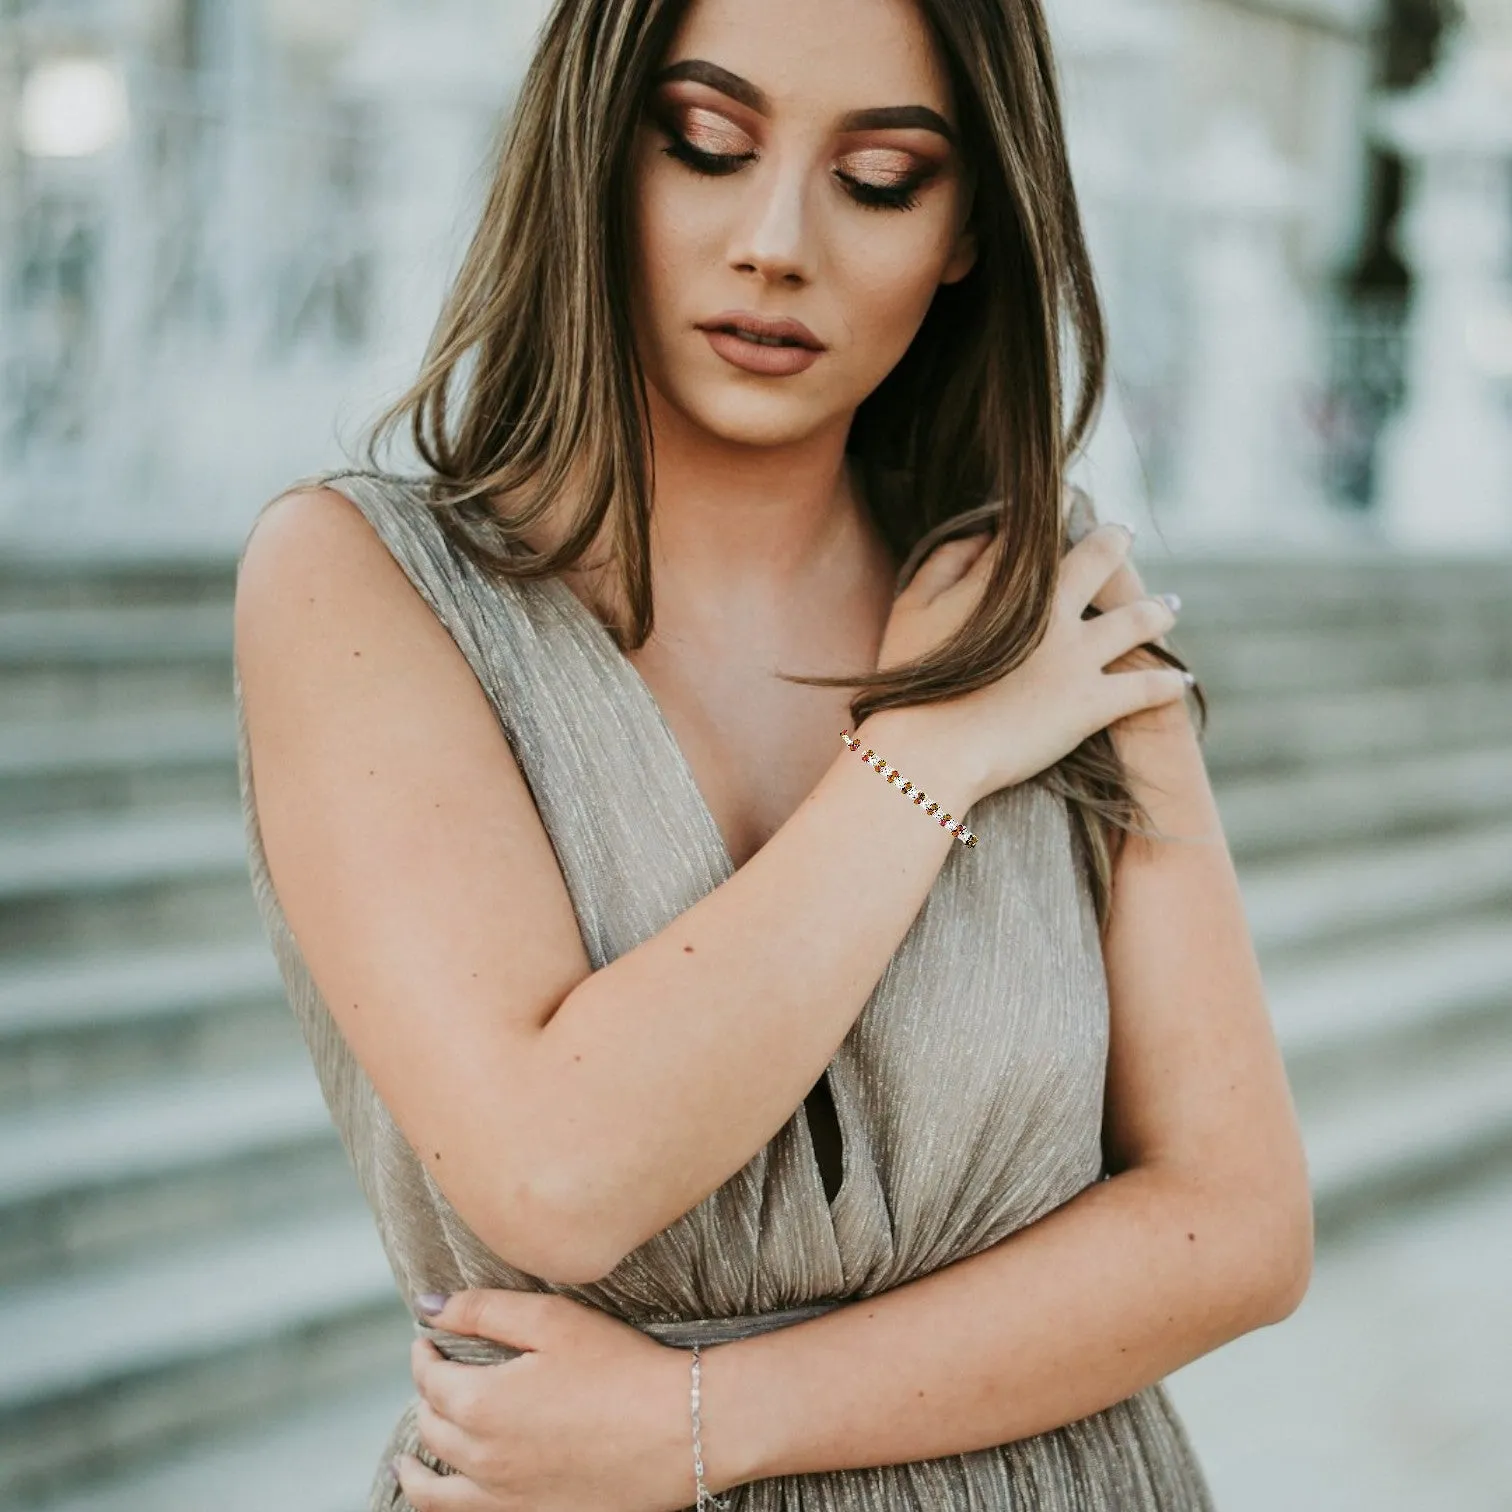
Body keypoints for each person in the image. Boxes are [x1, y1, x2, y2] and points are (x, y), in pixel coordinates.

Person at [232, 0, 1314, 1507]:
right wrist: (921, 765)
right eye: (708, 145)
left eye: (881, 179)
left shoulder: (1044, 602)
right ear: (598, 154)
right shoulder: (357, 583)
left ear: (968, 232)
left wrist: (704, 1417)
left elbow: (1239, 1224)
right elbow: (560, 1174)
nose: (777, 243)